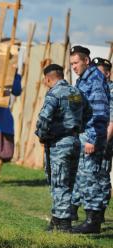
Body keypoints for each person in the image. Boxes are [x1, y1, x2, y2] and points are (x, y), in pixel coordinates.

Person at [35, 64, 89, 232]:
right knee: (68, 182)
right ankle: (57, 219)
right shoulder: (76, 92)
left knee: (59, 183)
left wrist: (42, 136)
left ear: (48, 78)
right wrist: (77, 127)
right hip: (75, 141)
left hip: (59, 144)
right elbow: (88, 113)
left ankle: (64, 225)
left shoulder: (54, 94)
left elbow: (44, 119)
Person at [69, 45, 110, 234]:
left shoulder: (94, 79)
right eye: (71, 64)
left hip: (91, 135)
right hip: (84, 133)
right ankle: (92, 218)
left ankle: (92, 222)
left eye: (76, 63)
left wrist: (92, 138)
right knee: (88, 176)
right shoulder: (83, 79)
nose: (73, 67)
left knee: (90, 177)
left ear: (86, 60)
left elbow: (100, 112)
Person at [92, 57, 113, 223]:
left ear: (107, 73)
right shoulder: (95, 88)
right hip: (92, 139)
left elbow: (111, 121)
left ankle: (99, 213)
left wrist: (103, 142)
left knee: (102, 176)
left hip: (104, 141)